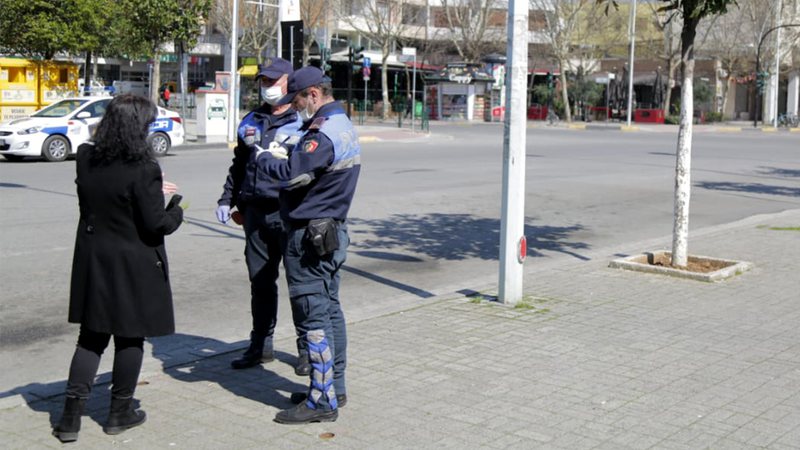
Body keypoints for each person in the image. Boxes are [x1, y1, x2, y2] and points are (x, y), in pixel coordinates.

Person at [53, 94, 184, 443]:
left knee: (91, 338)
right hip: (133, 261)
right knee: (129, 336)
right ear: (137, 127)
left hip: (95, 257)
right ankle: (119, 411)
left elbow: (102, 198)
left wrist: (152, 189)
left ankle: (69, 418)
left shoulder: (86, 157)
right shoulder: (144, 168)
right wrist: (175, 209)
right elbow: (156, 224)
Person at [256, 66, 360, 424]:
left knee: (312, 316)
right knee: (330, 309)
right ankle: (335, 386)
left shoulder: (323, 133)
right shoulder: (341, 124)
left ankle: (321, 401)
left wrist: (265, 158)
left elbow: (291, 174)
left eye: (297, 99)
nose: (295, 106)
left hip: (309, 237)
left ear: (313, 95)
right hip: (331, 232)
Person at [214, 58, 309, 374]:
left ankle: (307, 350)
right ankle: (261, 345)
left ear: (288, 82)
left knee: (300, 283)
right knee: (261, 283)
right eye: (263, 81)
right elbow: (239, 165)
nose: (266, 86)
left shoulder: (302, 121)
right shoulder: (251, 120)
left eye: (272, 81)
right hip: (254, 213)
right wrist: (227, 199)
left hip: (289, 213)